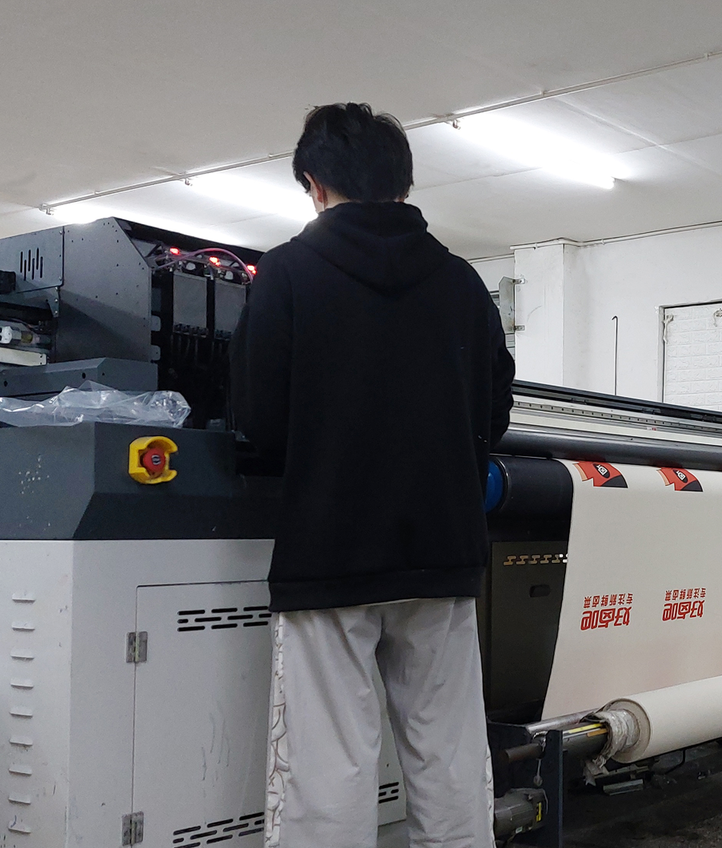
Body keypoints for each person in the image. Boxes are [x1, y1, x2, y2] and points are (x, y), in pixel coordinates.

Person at [229, 102, 515, 848]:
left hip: (330, 550)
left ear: (314, 183)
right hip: (444, 552)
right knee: (450, 754)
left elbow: (260, 420)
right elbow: (495, 411)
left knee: (326, 763)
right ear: (403, 185)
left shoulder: (287, 271)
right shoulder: (462, 282)